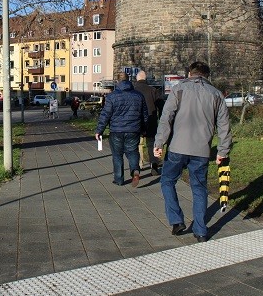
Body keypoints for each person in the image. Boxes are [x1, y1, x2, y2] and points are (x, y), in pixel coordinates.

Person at [153, 61, 232, 242]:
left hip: (177, 147)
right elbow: (224, 127)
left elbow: (166, 118)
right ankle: (201, 230)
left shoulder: (178, 89)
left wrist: (159, 143)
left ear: (190, 73)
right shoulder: (217, 95)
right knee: (199, 189)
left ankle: (176, 220)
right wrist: (222, 151)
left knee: (167, 181)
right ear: (207, 75)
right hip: (202, 149)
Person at [95, 72, 149, 187]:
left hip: (116, 130)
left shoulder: (112, 96)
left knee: (117, 155)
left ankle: (119, 179)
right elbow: (144, 114)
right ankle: (135, 170)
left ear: (117, 81)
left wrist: (99, 130)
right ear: (129, 80)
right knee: (132, 151)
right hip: (133, 129)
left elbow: (105, 114)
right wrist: (144, 129)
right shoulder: (138, 96)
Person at [133, 70, 162, 176]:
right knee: (151, 143)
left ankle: (139, 165)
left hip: (137, 121)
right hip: (152, 121)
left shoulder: (134, 90)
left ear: (137, 79)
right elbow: (161, 106)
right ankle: (154, 164)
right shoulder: (153, 90)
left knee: (138, 144)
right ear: (146, 79)